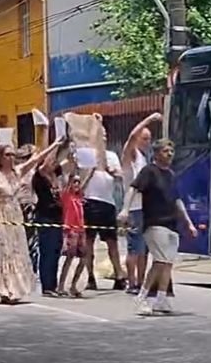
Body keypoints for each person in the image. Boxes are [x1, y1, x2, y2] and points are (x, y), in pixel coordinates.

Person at [0, 139, 64, 304]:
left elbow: (35, 160)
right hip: (0, 214)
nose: (11, 158)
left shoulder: (17, 172)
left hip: (15, 214)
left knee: (17, 251)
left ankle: (15, 289)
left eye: (13, 155)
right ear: (0, 157)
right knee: (3, 251)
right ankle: (5, 290)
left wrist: (55, 145)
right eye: (7, 155)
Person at [132, 139, 198, 316]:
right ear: (156, 154)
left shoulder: (170, 175)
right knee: (160, 261)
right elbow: (134, 188)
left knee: (167, 263)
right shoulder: (148, 171)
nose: (169, 154)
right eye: (165, 151)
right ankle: (142, 297)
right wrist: (125, 210)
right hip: (154, 223)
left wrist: (189, 223)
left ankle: (161, 299)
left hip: (171, 224)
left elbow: (177, 200)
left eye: (171, 151)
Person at [120, 113, 163, 295]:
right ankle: (131, 283)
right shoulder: (131, 155)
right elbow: (131, 136)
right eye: (144, 138)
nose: (147, 142)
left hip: (146, 208)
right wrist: (150, 119)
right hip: (134, 208)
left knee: (144, 249)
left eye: (149, 139)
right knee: (134, 249)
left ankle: (141, 282)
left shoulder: (145, 159)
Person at [78, 142, 127, 291]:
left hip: (108, 202)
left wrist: (113, 171)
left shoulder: (111, 156)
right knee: (89, 241)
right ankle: (90, 276)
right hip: (90, 201)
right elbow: (79, 175)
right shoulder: (86, 153)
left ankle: (119, 276)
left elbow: (120, 174)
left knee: (112, 242)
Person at [33, 157, 64, 297]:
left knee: (56, 250)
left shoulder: (56, 178)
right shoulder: (40, 177)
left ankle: (53, 284)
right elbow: (43, 166)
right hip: (45, 215)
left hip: (57, 216)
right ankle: (47, 285)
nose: (54, 164)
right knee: (47, 250)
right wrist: (53, 146)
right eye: (51, 162)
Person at [57, 165, 88, 298]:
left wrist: (90, 171)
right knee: (69, 258)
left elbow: (85, 182)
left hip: (81, 230)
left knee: (84, 259)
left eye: (78, 182)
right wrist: (71, 166)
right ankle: (61, 285)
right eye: (74, 182)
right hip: (71, 231)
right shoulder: (67, 196)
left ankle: (73, 285)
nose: (76, 184)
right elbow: (65, 182)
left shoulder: (79, 197)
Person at [15, 145, 39, 275]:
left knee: (31, 238)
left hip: (29, 205)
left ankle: (31, 266)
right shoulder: (16, 171)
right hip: (17, 206)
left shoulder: (32, 172)